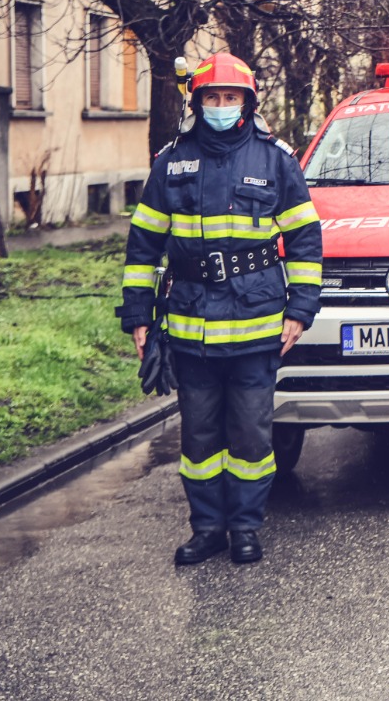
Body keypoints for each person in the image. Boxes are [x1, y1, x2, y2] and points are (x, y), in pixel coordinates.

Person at [116, 53, 322, 566]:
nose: (223, 107)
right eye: (213, 98)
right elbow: (142, 246)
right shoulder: (172, 161)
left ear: (248, 103)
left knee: (251, 435)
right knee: (200, 436)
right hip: (191, 326)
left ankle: (247, 528)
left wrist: (301, 309)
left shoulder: (276, 159)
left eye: (232, 99)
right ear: (198, 102)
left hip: (257, 326)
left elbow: (305, 241)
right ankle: (207, 528)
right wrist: (139, 316)